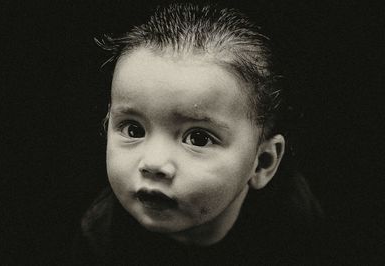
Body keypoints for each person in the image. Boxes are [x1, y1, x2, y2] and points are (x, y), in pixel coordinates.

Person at [73, 2, 326, 264]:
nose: (154, 163)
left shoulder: (292, 229)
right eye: (133, 129)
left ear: (262, 163)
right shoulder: (102, 234)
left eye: (198, 138)